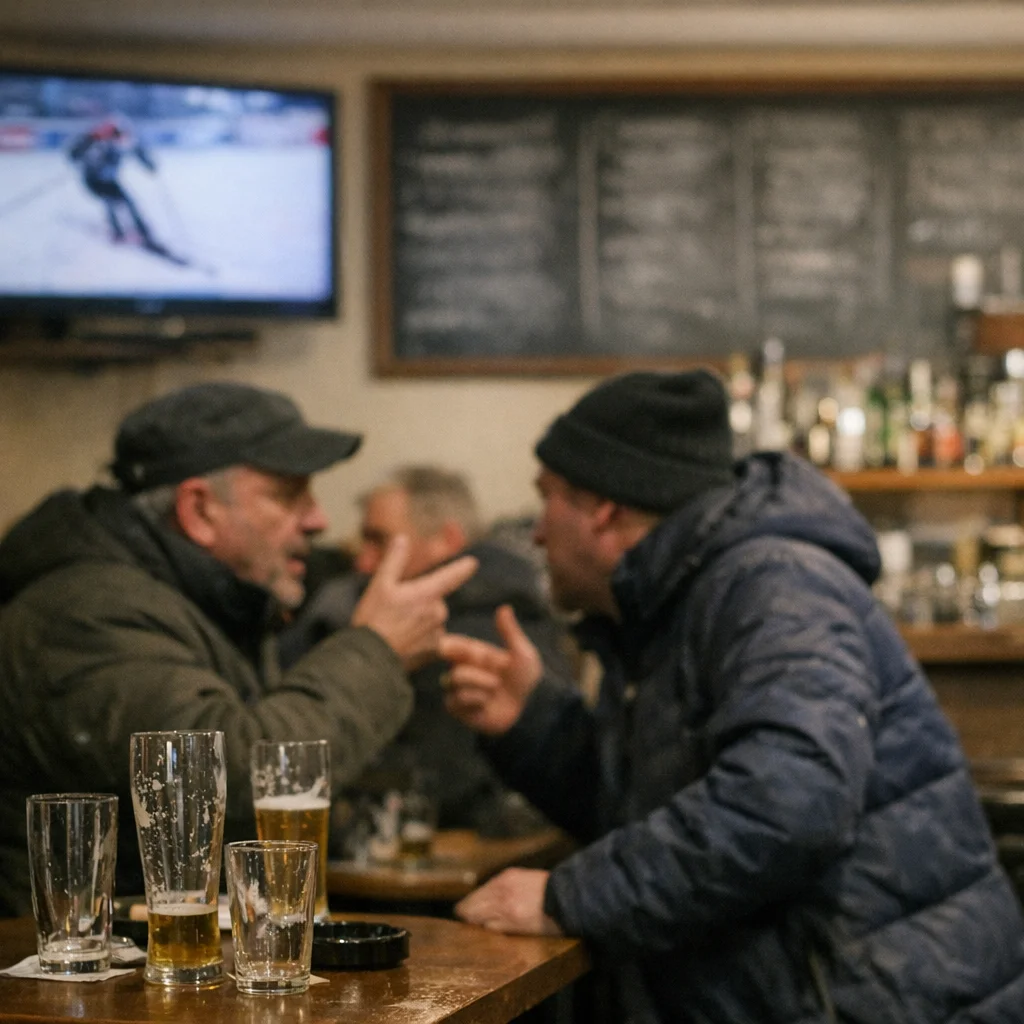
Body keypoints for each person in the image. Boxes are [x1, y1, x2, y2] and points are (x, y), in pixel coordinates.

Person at [439, 368, 1024, 1022]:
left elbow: (788, 805)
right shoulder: (670, 603)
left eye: (546, 498)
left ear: (603, 509)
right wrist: (535, 724)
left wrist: (570, 898)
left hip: (866, 1001)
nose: (536, 532)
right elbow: (660, 812)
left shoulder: (773, 584)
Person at [0, 382, 477, 916]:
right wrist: (375, 650)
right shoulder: (84, 612)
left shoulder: (212, 599)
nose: (319, 520)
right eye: (288, 495)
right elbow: (226, 787)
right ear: (200, 510)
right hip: (71, 976)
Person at [280, 464, 575, 834]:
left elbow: (437, 786)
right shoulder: (507, 601)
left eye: (378, 540)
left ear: (447, 540)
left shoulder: (465, 632)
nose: (363, 561)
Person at [67, 115, 180, 263]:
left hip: (110, 180)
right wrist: (88, 152)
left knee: (129, 203)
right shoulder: (96, 141)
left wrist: (149, 165)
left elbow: (138, 151)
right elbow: (74, 154)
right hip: (93, 181)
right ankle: (117, 232)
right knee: (111, 202)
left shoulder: (123, 141)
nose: (121, 140)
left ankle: (143, 232)